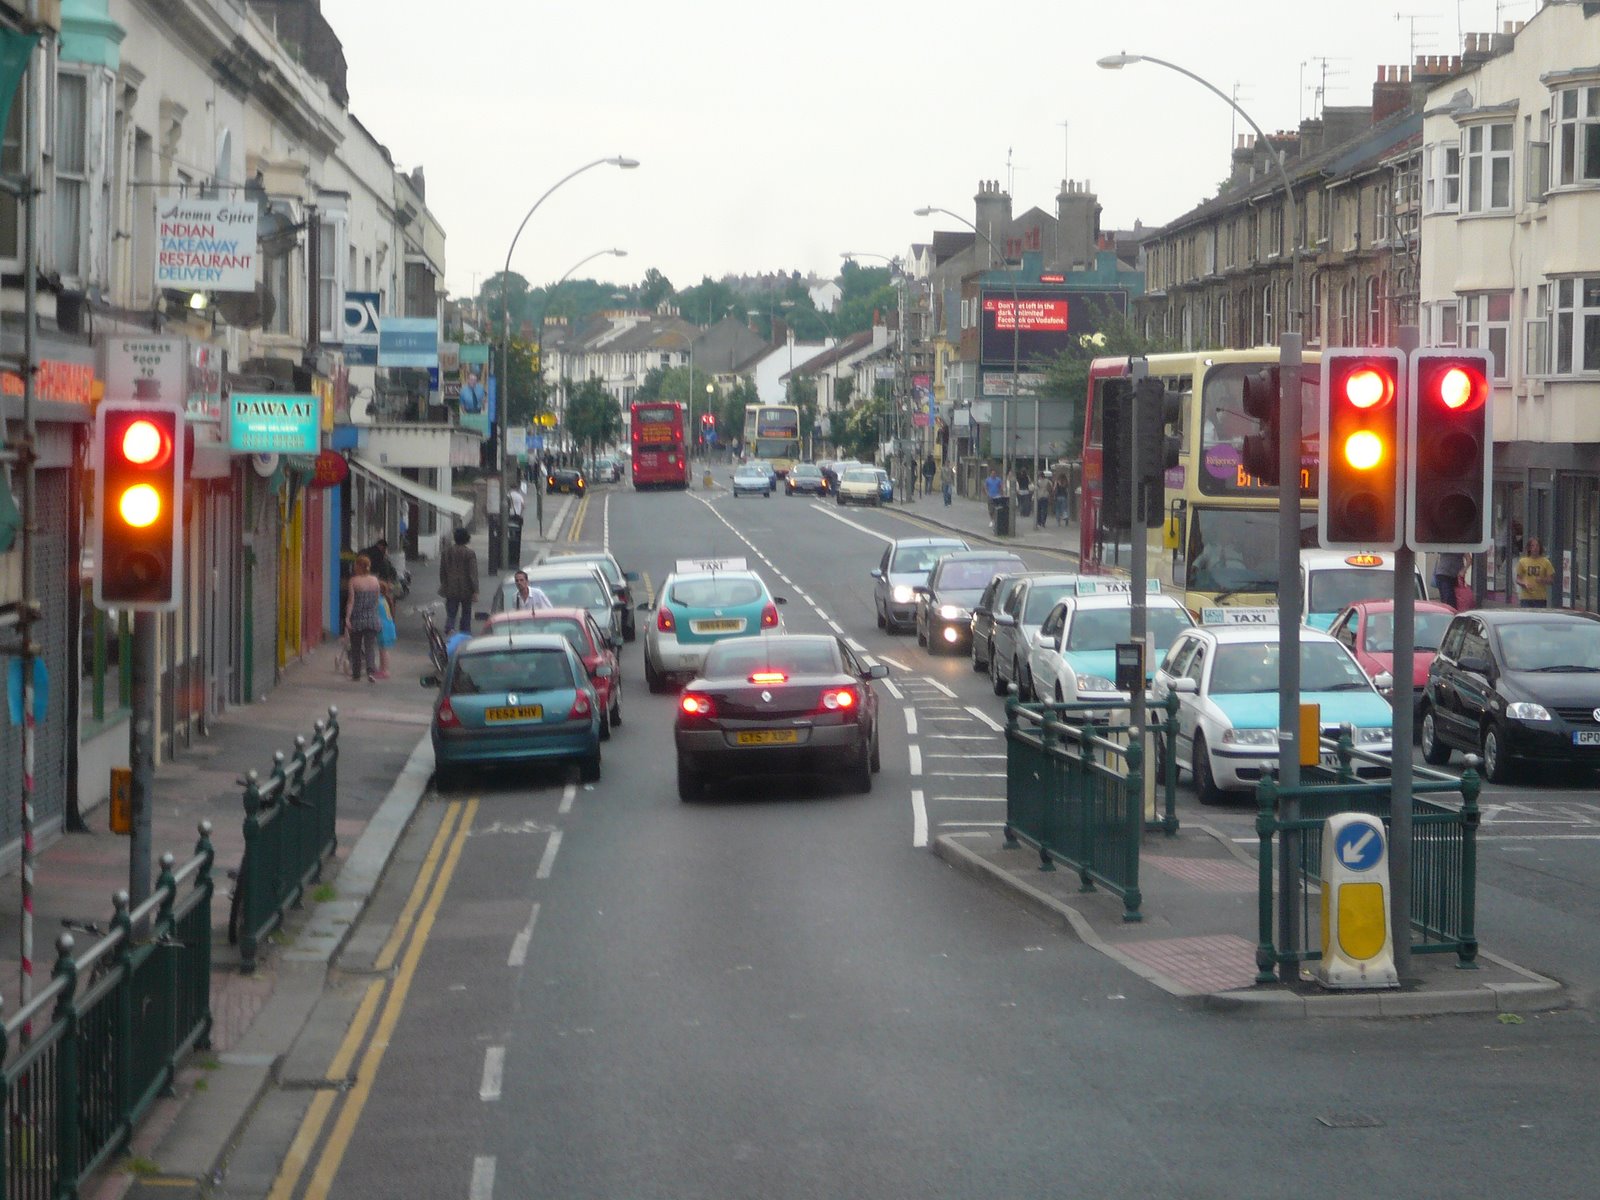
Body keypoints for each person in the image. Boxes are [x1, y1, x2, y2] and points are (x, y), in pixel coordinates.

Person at [344, 555, 385, 683]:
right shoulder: (375, 581)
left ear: (359, 566)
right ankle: (371, 671)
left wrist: (347, 618)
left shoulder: (353, 581)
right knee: (370, 647)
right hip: (372, 618)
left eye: (356, 565)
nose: (354, 567)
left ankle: (356, 673)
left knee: (356, 647)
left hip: (357, 619)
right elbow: (377, 601)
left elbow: (351, 601)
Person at [439, 527, 479, 633]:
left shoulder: (446, 552)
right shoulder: (470, 553)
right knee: (466, 612)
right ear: (467, 538)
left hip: (450, 587)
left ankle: (450, 627)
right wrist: (475, 590)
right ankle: (465, 631)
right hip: (466, 588)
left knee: (451, 611)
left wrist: (444, 583)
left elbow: (442, 571)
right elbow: (473, 573)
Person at [1515, 536, 1555, 608]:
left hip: (1540, 598)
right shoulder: (1522, 561)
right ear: (1529, 548)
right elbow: (1518, 579)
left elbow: (1551, 580)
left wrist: (1543, 580)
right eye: (1532, 546)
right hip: (1526, 598)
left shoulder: (1546, 562)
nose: (1535, 548)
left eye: (1537, 545)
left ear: (1540, 548)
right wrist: (1524, 584)